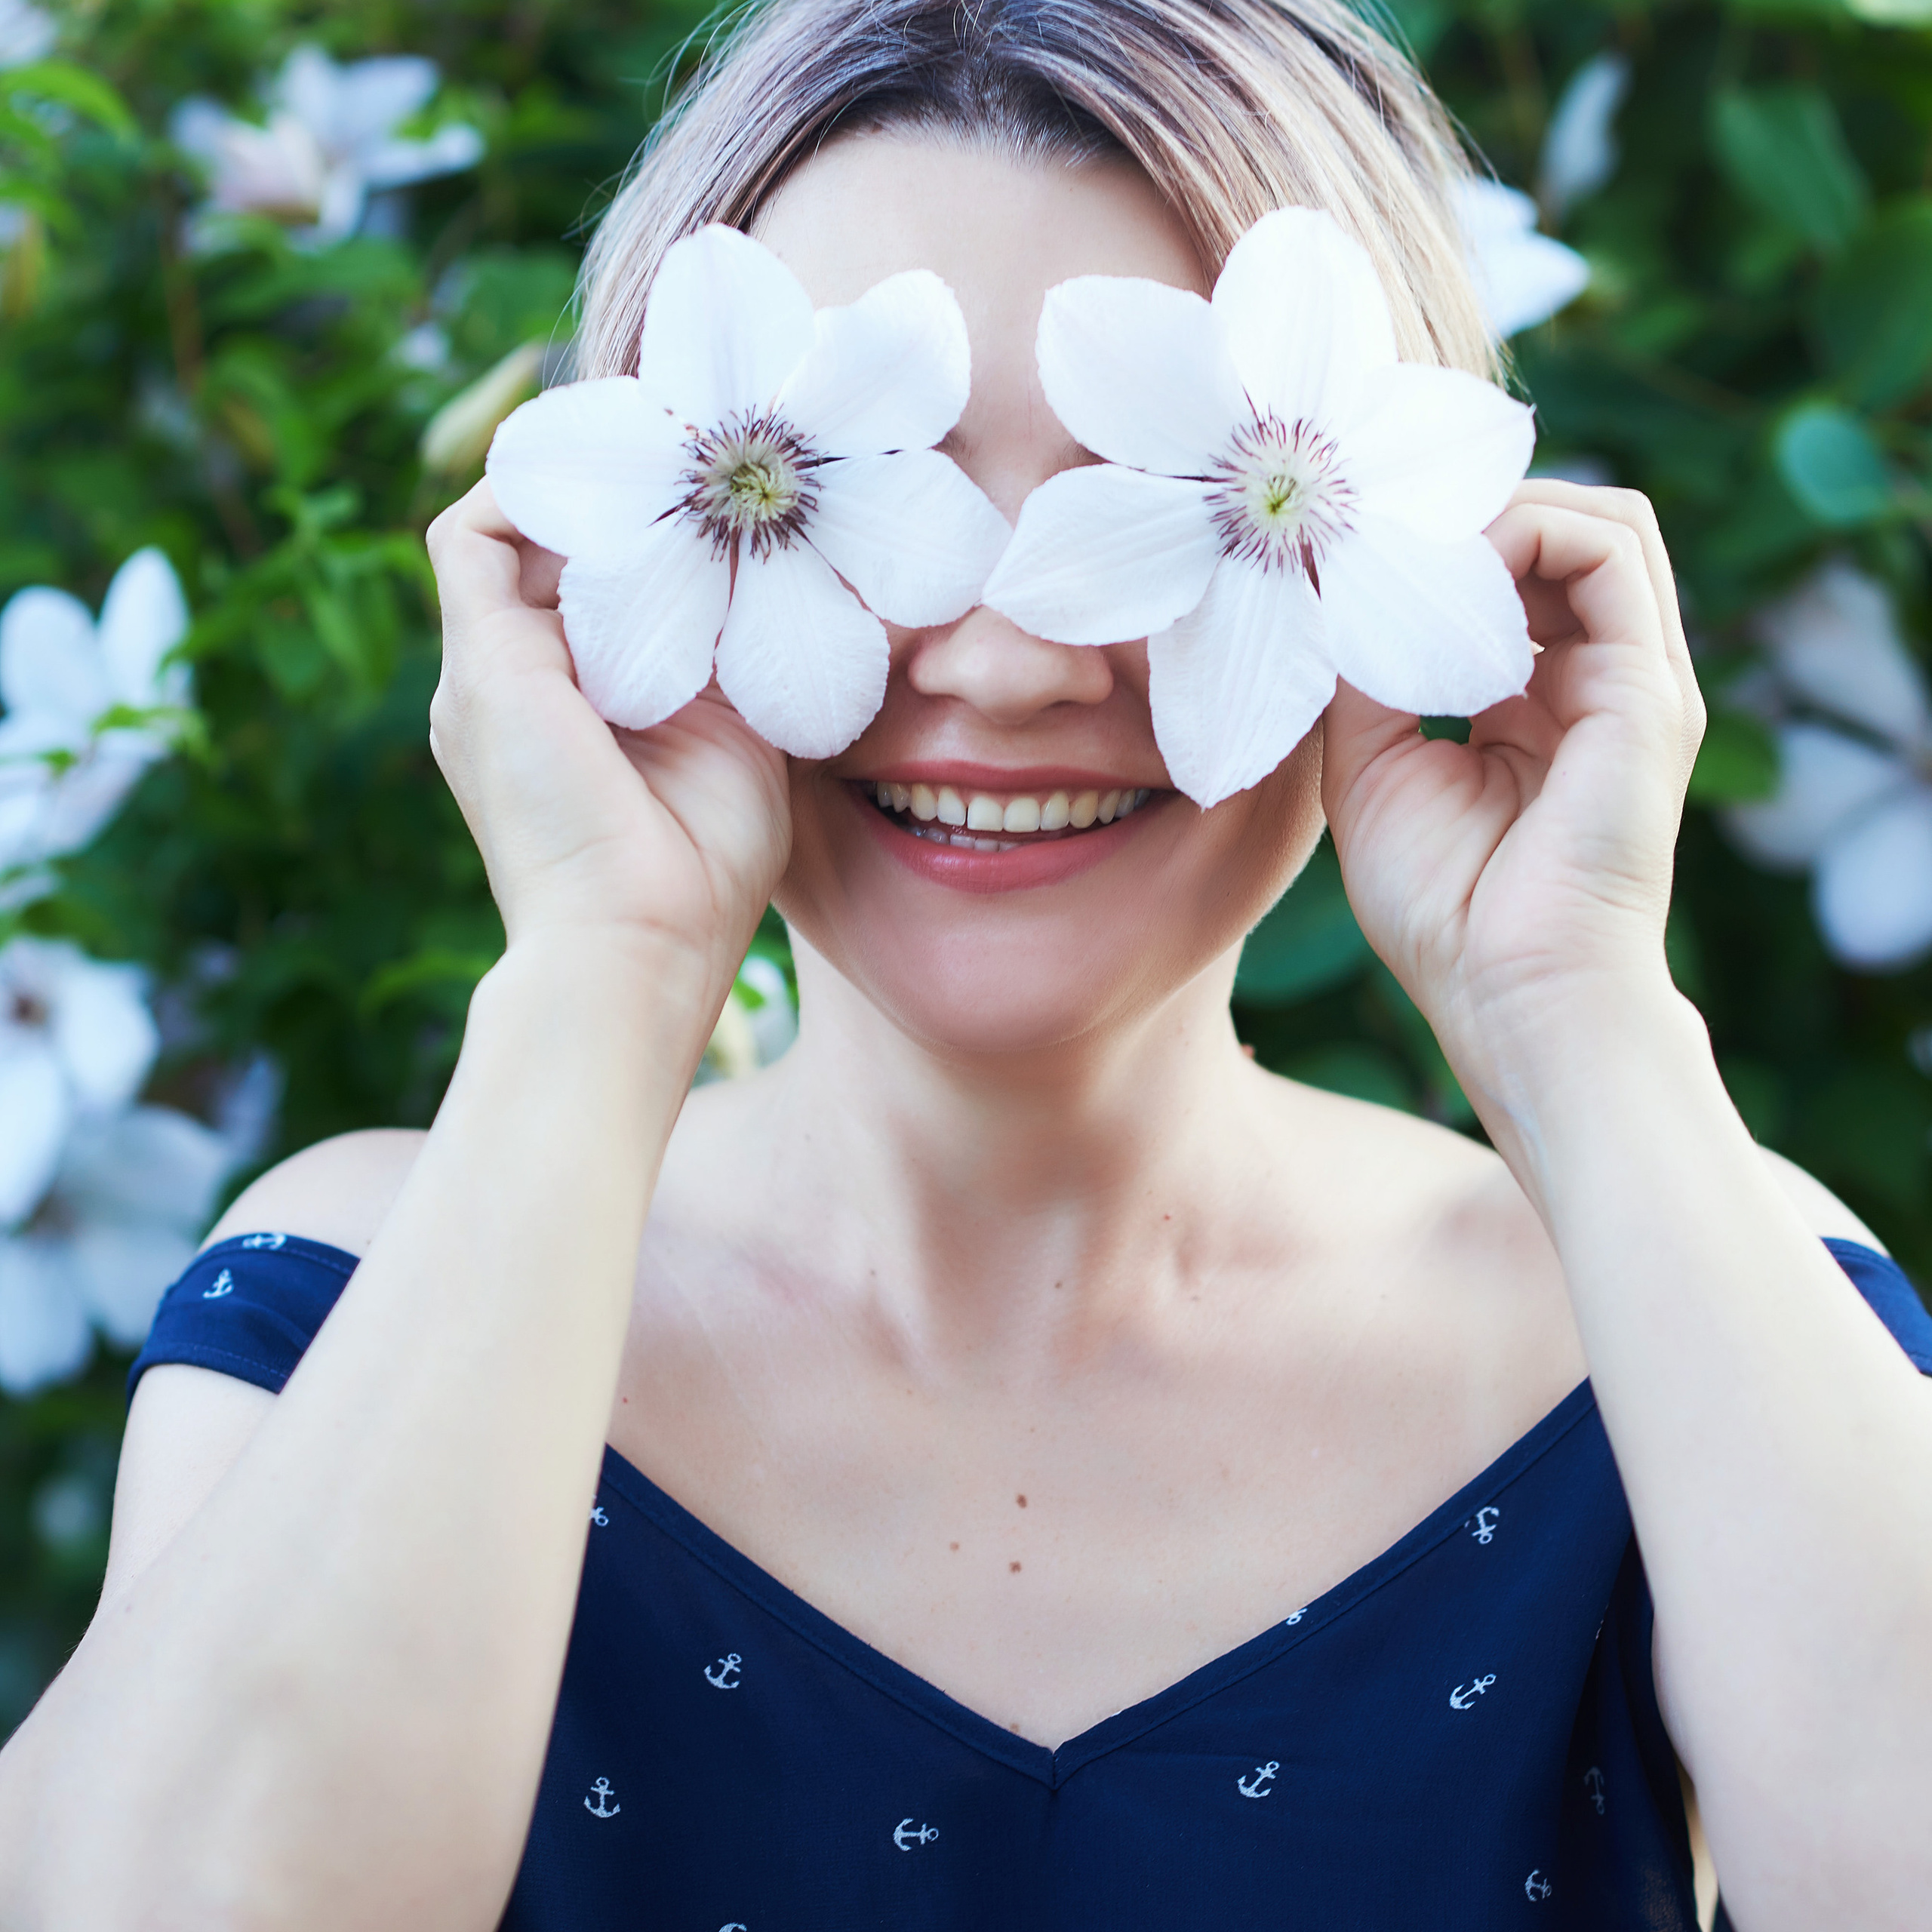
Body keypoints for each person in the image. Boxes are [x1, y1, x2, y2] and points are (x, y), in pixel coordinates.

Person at [5, 2, 1930, 1926]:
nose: (1009, 662)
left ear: (1409, 563)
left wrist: (1575, 1012)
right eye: (873, 476)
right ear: (606, 564)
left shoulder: (1688, 1295)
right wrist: (599, 970)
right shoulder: (348, 1297)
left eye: (1140, 494)